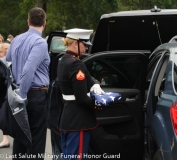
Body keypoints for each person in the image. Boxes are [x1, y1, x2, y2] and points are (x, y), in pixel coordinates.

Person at [6, 7, 49, 160]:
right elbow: (28, 69)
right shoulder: (40, 42)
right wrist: (22, 96)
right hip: (34, 94)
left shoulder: (16, 39)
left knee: (20, 136)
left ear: (28, 21)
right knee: (36, 138)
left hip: (18, 91)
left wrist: (16, 94)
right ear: (44, 23)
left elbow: (8, 62)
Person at [57, 28, 104, 160]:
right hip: (78, 120)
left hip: (68, 117)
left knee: (67, 156)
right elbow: (82, 98)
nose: (86, 49)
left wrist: (94, 82)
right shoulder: (76, 64)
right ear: (76, 43)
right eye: (84, 45)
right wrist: (98, 103)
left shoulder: (63, 60)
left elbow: (86, 77)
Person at [0, 43, 10, 148]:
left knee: (4, 117)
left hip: (5, 94)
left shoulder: (5, 63)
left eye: (1, 52)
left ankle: (5, 139)